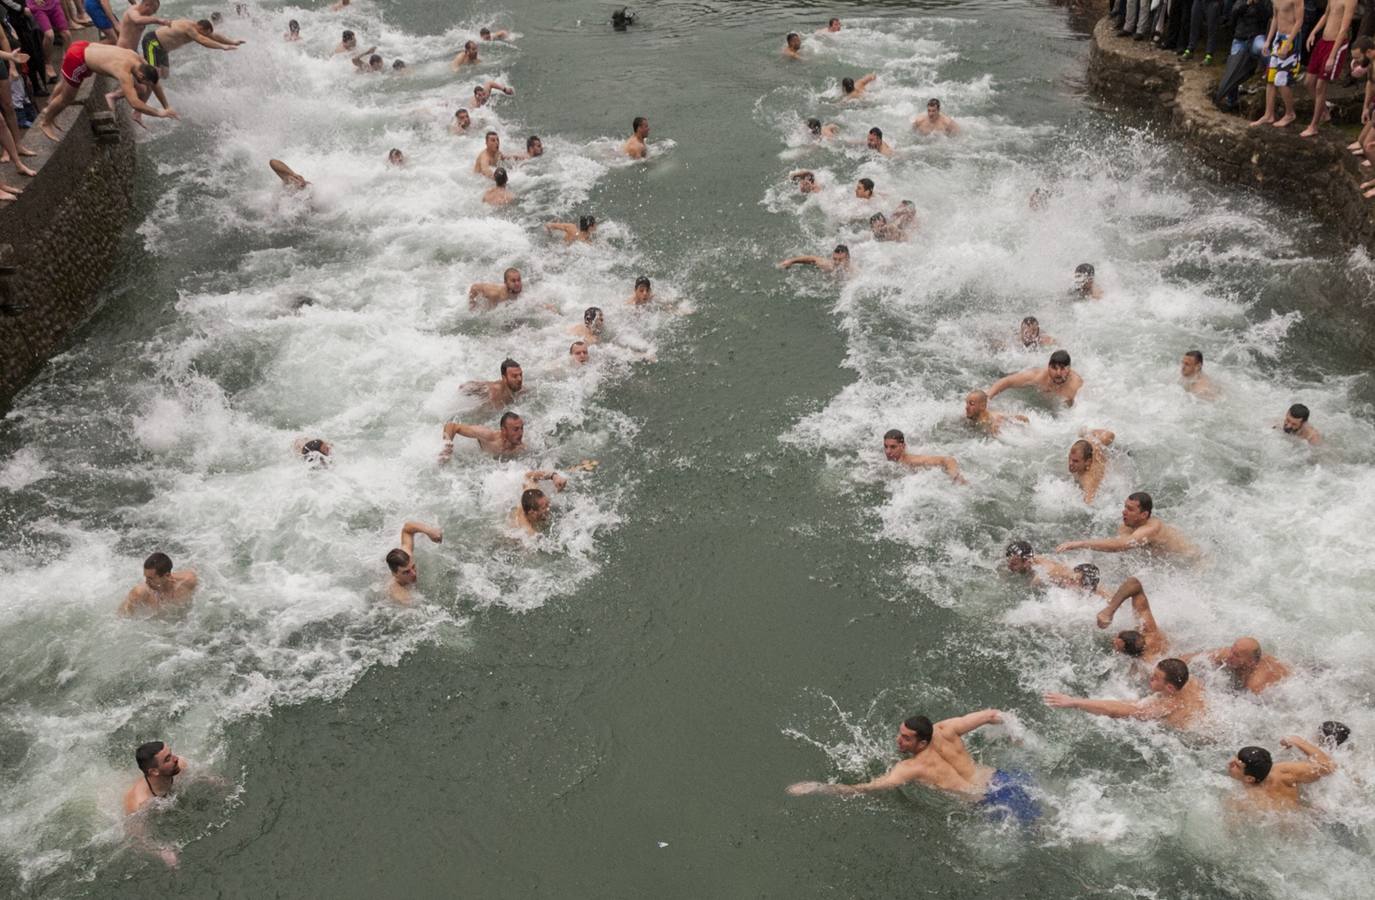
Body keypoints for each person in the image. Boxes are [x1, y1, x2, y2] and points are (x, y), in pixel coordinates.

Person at [786, 710, 1041, 824]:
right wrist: (1015, 735)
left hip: (987, 801)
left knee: (1039, 830)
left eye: (906, 738)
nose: (899, 740)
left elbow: (865, 788)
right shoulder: (947, 729)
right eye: (900, 733)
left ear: (922, 742)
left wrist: (818, 787)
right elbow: (992, 715)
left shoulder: (911, 768)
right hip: (1001, 778)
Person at [1045, 657, 1204, 729]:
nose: (1151, 678)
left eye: (1155, 678)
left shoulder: (1165, 705)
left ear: (1169, 688)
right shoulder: (1190, 681)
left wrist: (1074, 701)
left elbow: (1115, 711)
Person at [1055, 491, 1201, 557]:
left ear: (1144, 515)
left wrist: (1081, 543)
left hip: (1189, 558)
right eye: (1125, 507)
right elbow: (1119, 546)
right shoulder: (1127, 524)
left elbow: (1120, 546)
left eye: (1130, 509)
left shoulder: (1151, 528)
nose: (1124, 512)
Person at [1228, 738, 1335, 809]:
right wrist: (1297, 741)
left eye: (1236, 765)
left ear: (1249, 779)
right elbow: (1328, 766)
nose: (1230, 763)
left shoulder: (1242, 801)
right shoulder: (1285, 772)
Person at [1299, 0, 1355, 137]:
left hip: (1336, 44)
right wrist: (1313, 32)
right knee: (1308, 82)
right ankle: (1324, 111)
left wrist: (1332, 56)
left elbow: (1344, 29)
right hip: (1323, 41)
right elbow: (1326, 14)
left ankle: (1314, 126)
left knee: (1320, 86)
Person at [1251, 0, 1301, 126]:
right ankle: (1268, 114)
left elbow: (1299, 21)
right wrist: (1268, 40)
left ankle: (1290, 113)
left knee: (1281, 79)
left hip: (1291, 39)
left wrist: (1288, 44)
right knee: (1270, 77)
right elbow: (1275, 17)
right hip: (1278, 38)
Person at [139, 18, 239, 81]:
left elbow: (214, 36)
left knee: (164, 75)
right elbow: (203, 41)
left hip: (163, 49)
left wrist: (232, 42)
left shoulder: (198, 29)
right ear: (201, 28)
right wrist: (223, 47)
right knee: (154, 75)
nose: (206, 36)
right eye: (205, 34)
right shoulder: (189, 28)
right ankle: (138, 71)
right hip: (153, 43)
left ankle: (142, 66)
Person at [1095, 575, 1169, 660]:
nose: (1113, 639)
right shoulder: (1148, 630)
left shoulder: (1148, 663)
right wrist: (1109, 610)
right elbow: (1134, 583)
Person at [512, 462, 596, 535]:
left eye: (547, 503)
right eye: (544, 507)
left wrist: (554, 476)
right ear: (532, 512)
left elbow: (528, 476)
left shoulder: (531, 493)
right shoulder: (526, 531)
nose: (549, 508)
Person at [1183, 638, 1291, 693]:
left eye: (1237, 655)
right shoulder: (1229, 654)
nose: (1230, 656)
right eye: (1232, 650)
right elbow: (1193, 658)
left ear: (1250, 662)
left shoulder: (1256, 683)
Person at [1004, 540, 1107, 596]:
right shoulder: (1030, 559)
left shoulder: (1046, 574)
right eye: (1009, 562)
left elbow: (1094, 587)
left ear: (1026, 562)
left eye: (1014, 564)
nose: (1009, 566)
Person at [986, 349, 1084, 407]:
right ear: (1048, 367)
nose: (1058, 373)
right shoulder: (1038, 376)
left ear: (1069, 369)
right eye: (1054, 368)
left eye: (1062, 368)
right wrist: (987, 398)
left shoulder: (1076, 386)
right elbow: (1007, 381)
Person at [118, 552, 197, 616]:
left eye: (150, 578)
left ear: (167, 575)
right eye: (145, 577)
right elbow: (121, 617)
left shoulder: (187, 581)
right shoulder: (140, 592)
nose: (146, 582)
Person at [384, 521, 443, 604]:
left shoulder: (407, 557)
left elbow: (407, 528)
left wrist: (429, 531)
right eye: (406, 572)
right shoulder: (399, 594)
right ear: (395, 574)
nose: (414, 574)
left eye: (413, 566)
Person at [882, 428, 965, 483]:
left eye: (893, 447)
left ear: (903, 446)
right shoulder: (888, 462)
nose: (888, 451)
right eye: (886, 446)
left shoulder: (912, 461)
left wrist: (955, 476)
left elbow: (948, 460)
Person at [440, 412, 526, 459]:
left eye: (521, 428)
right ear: (504, 431)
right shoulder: (489, 436)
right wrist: (446, 445)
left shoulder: (520, 447)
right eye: (516, 429)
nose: (521, 433)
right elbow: (451, 426)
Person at [1067, 428, 1116, 503]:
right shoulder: (1085, 448)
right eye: (1069, 458)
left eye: (1075, 461)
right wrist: (1088, 432)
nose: (1070, 463)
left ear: (1087, 462)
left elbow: (1089, 504)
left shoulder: (1088, 480)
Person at [778, 244, 850, 273]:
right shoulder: (828, 265)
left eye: (840, 260)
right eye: (834, 259)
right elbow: (812, 258)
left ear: (847, 259)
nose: (836, 262)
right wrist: (791, 261)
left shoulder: (851, 273)